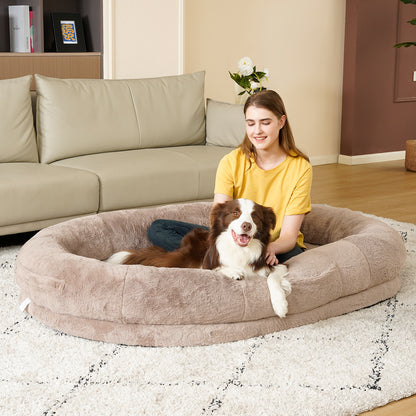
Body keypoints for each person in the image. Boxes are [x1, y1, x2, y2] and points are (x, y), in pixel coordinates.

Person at [148, 89, 312, 264]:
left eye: (265, 123)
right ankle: (231, 261)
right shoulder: (230, 162)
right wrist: (232, 244)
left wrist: (268, 248)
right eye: (250, 123)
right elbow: (218, 220)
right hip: (234, 239)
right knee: (158, 228)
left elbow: (288, 237)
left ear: (281, 122)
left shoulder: (301, 167)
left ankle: (219, 262)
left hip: (273, 246)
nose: (257, 131)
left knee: (296, 258)